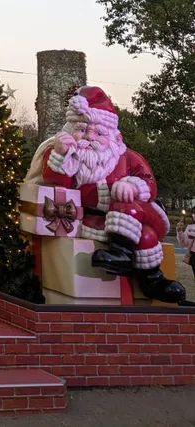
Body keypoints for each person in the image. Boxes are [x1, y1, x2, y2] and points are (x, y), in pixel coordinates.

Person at [25, 85, 186, 304]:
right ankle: (152, 279)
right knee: (145, 235)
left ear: (113, 136)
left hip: (139, 212)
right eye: (82, 130)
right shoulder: (68, 155)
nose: (90, 138)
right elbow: (56, 184)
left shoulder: (126, 157)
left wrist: (132, 185)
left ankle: (122, 254)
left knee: (124, 205)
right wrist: (60, 155)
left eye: (99, 133)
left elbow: (149, 183)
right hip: (95, 221)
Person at [177, 209, 195, 280]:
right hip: (194, 255)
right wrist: (179, 231)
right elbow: (184, 242)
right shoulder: (190, 227)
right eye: (193, 213)